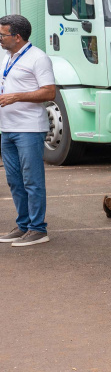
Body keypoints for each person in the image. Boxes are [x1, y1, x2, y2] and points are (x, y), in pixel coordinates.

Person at [0, 15, 56, 247]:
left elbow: (49, 92)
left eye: (3, 35)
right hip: (7, 128)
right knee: (14, 180)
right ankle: (23, 225)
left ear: (17, 36)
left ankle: (38, 229)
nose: (0, 38)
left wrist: (17, 96)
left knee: (32, 180)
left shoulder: (38, 58)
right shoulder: (5, 56)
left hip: (29, 129)